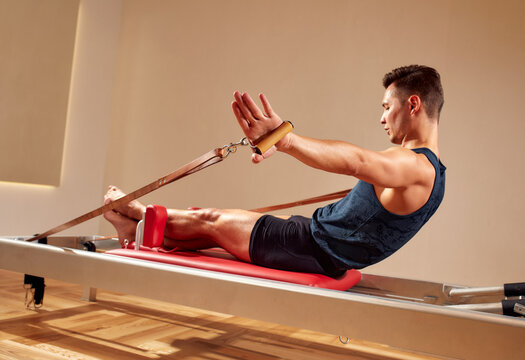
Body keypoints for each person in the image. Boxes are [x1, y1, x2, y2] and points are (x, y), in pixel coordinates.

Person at [104, 65, 446, 277]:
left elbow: (356, 161)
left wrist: (284, 139)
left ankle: (135, 211)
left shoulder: (414, 165)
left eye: (387, 107)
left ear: (412, 104)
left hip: (311, 248)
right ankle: (131, 227)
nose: (382, 118)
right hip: (314, 241)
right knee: (209, 233)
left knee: (211, 220)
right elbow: (374, 211)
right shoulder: (435, 173)